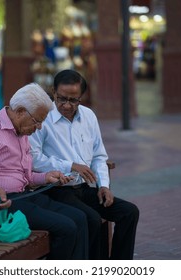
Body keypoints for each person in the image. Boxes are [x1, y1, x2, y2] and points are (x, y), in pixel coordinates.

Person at [0, 83, 89, 260]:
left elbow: (25, 178)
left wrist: (45, 177)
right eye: (37, 121)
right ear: (20, 111)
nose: (39, 127)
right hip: (0, 204)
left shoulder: (20, 131)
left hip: (23, 196)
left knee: (80, 218)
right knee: (66, 227)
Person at [29, 69, 139, 260]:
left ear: (81, 97)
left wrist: (103, 185)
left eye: (73, 100)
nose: (67, 105)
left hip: (84, 188)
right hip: (55, 189)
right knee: (92, 219)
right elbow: (34, 159)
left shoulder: (88, 116)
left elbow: (99, 155)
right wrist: (70, 165)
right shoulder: (43, 118)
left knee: (129, 212)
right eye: (61, 99)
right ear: (53, 92)